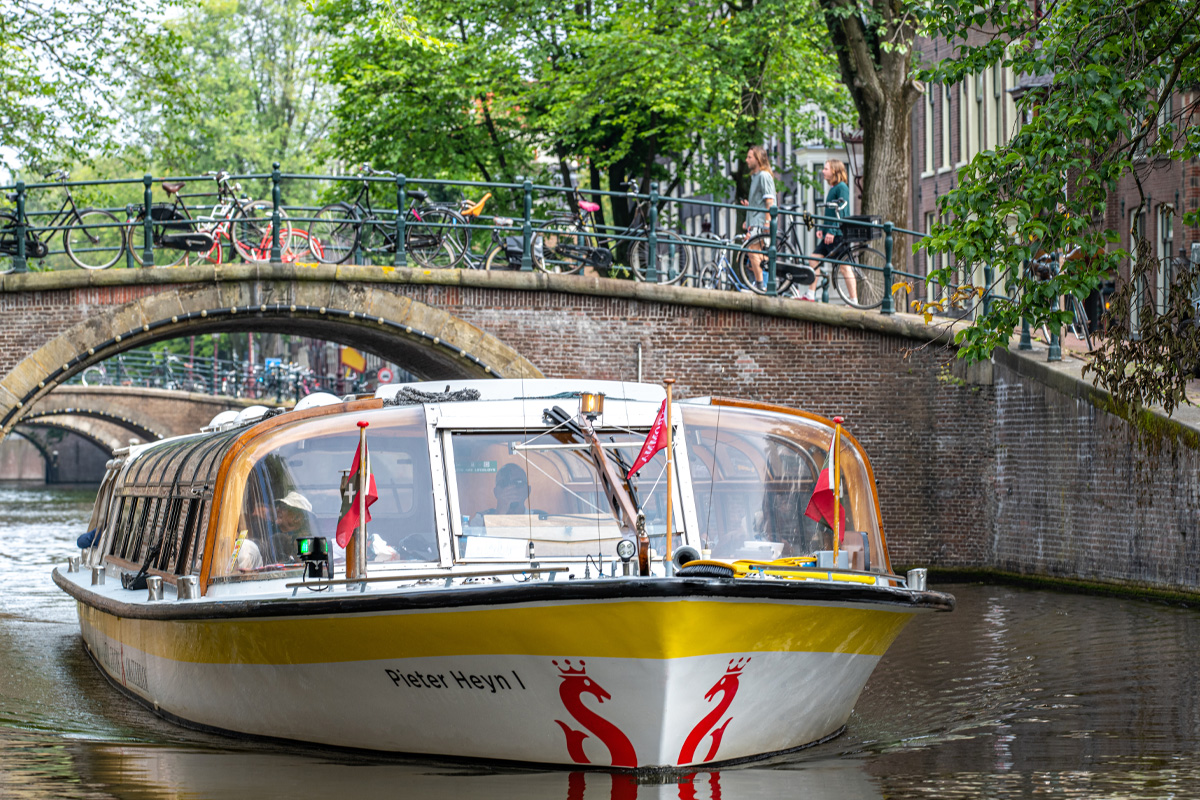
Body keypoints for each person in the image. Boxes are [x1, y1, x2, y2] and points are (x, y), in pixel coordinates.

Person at [805, 159, 852, 303]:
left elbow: (842, 211)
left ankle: (854, 300)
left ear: (835, 171)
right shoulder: (833, 188)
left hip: (838, 235)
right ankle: (810, 295)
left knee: (845, 268)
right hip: (829, 235)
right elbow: (830, 213)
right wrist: (822, 229)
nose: (823, 171)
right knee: (814, 259)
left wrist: (832, 230)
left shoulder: (842, 187)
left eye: (826, 169)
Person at [739, 145, 776, 293]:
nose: (746, 160)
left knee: (753, 252)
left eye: (750, 157)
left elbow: (769, 201)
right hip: (755, 221)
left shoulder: (764, 176)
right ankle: (761, 284)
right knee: (756, 256)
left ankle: (761, 286)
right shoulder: (755, 177)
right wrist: (750, 208)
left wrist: (767, 222)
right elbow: (760, 201)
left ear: (758, 159)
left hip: (761, 222)